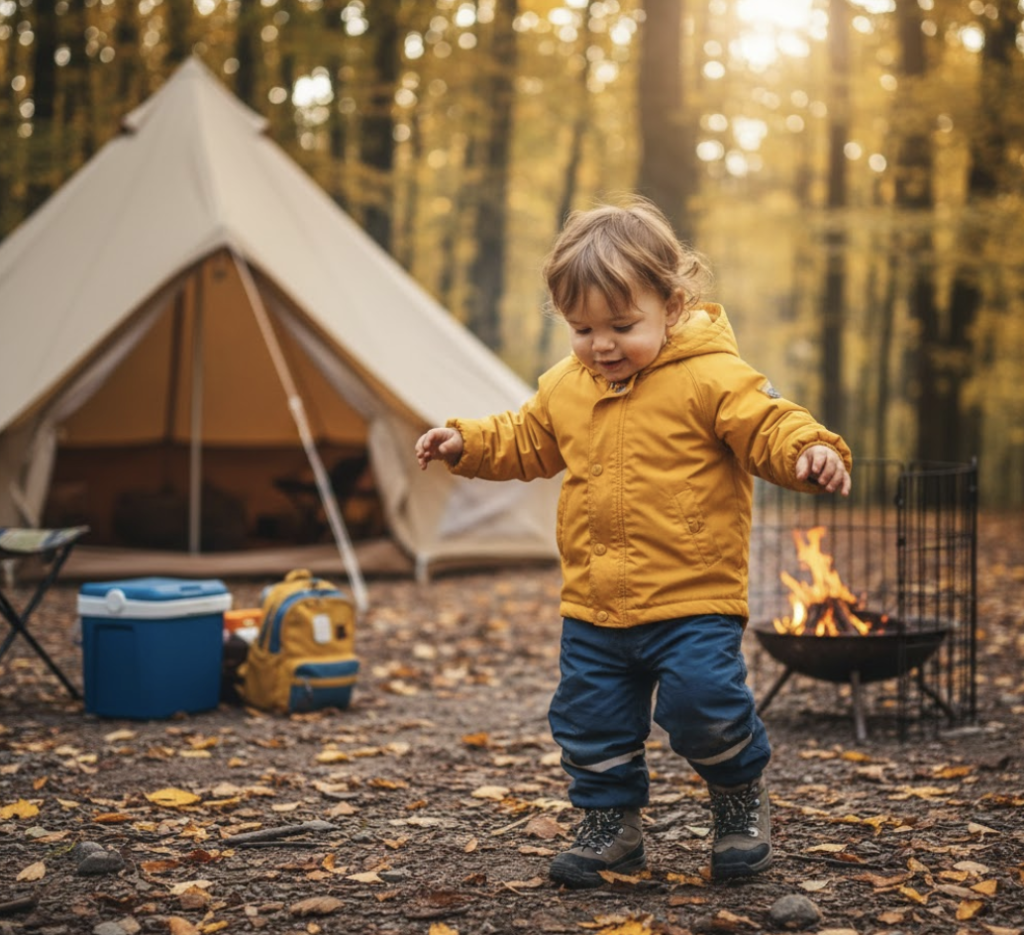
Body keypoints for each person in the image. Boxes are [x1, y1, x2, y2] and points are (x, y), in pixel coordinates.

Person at [415, 197, 852, 888]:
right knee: (590, 721)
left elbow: (767, 423)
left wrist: (809, 449)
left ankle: (738, 798)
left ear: (672, 306)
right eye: (582, 328)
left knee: (704, 707)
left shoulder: (711, 375)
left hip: (692, 597)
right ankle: (610, 826)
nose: (602, 345)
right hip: (595, 602)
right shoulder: (567, 386)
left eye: (622, 326)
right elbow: (525, 438)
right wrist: (465, 442)